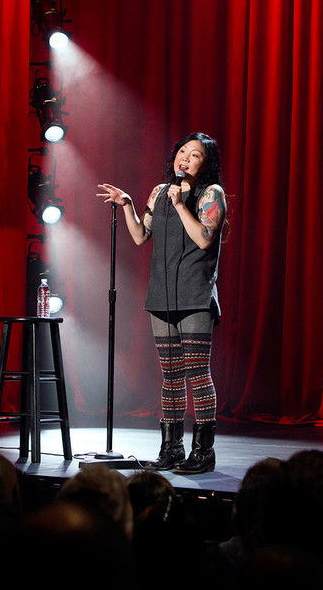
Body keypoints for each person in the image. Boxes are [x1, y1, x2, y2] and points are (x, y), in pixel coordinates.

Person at [97, 131, 226, 474]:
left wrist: (181, 204)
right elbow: (141, 236)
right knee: (171, 376)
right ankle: (171, 448)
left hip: (195, 294)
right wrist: (127, 204)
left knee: (197, 374)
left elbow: (203, 239)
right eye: (182, 152)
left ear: (206, 163)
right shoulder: (159, 192)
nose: (186, 158)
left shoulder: (211, 193)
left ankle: (203, 452)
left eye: (195, 155)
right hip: (162, 294)